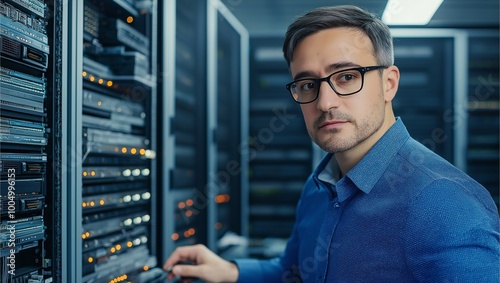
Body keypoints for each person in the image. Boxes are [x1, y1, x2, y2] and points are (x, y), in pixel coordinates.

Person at [163, 5, 500, 283]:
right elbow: (294, 273)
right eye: (308, 84)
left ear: (389, 83)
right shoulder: (320, 186)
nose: (325, 102)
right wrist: (232, 272)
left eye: (347, 77)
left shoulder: (446, 204)